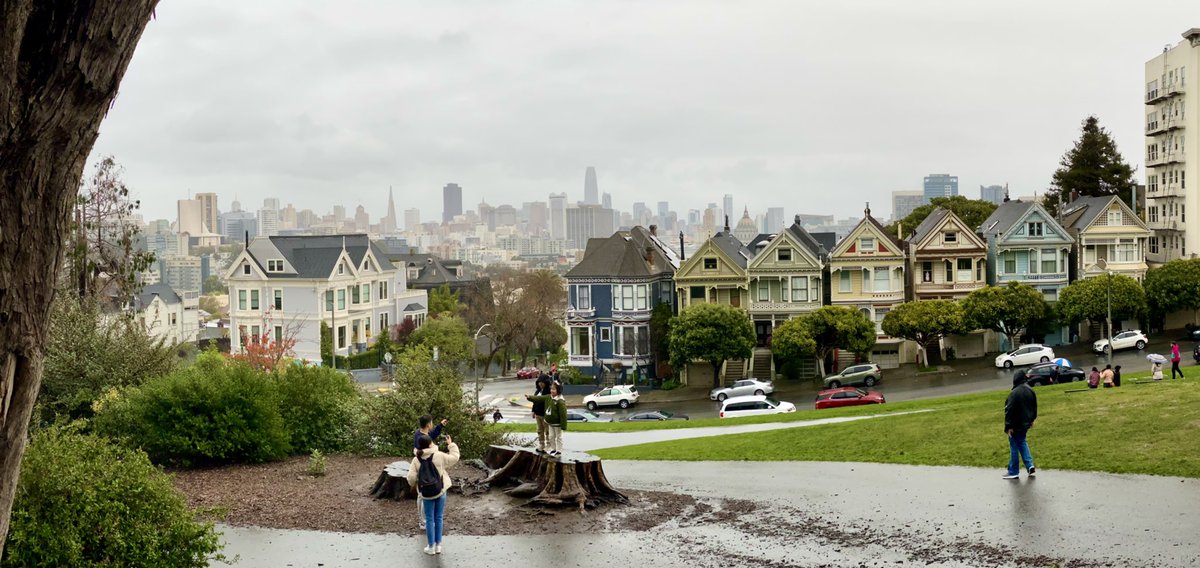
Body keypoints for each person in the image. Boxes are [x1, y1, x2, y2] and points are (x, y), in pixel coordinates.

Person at [407, 434, 459, 555]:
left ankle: (431, 547)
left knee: (429, 519)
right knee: (439, 517)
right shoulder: (439, 455)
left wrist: (415, 484)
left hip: (426, 493)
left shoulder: (416, 459)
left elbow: (411, 478)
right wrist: (451, 444)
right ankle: (438, 545)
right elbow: (455, 457)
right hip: (440, 490)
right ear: (431, 444)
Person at [413, 415, 447, 528]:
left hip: (424, 469)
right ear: (428, 425)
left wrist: (440, 425)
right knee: (423, 496)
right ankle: (423, 521)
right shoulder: (421, 438)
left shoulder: (421, 434)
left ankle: (424, 519)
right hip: (424, 470)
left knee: (422, 495)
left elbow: (431, 435)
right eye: (431, 423)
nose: (432, 424)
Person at [1003, 371, 1037, 480]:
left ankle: (1013, 471)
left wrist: (1008, 426)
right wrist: (1032, 419)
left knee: (1014, 446)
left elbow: (1010, 410)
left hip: (1015, 424)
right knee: (1022, 442)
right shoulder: (1030, 390)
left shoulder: (1014, 393)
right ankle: (1029, 465)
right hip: (1026, 423)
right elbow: (1034, 406)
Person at [527, 382, 567, 456]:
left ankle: (559, 450)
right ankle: (553, 449)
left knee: (558, 437)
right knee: (551, 437)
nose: (552, 390)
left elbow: (563, 414)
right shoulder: (549, 397)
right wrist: (530, 397)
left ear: (558, 391)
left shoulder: (560, 401)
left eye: (554, 389)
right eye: (551, 389)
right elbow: (539, 398)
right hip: (549, 423)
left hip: (557, 424)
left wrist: (563, 425)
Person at [530, 375, 550, 453]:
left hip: (545, 414)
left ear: (546, 382)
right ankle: (541, 444)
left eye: (542, 382)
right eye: (539, 382)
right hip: (538, 414)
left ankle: (549, 445)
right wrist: (533, 411)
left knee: (547, 431)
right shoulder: (537, 391)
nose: (540, 384)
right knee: (539, 430)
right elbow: (535, 401)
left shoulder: (548, 391)